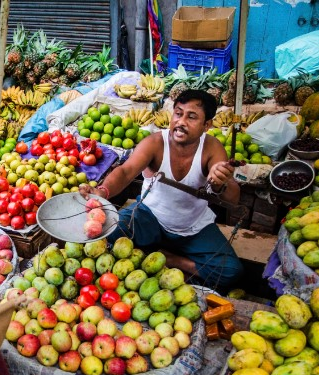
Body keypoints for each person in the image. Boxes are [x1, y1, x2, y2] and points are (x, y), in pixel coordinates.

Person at [80, 89, 244, 291]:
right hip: (149, 218)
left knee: (231, 272)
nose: (181, 122)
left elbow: (232, 200)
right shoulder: (155, 143)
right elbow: (125, 171)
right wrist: (102, 192)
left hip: (192, 228)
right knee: (109, 232)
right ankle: (159, 255)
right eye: (178, 113)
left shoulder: (211, 148)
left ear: (207, 125)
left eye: (191, 117)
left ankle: (171, 259)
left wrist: (221, 181)